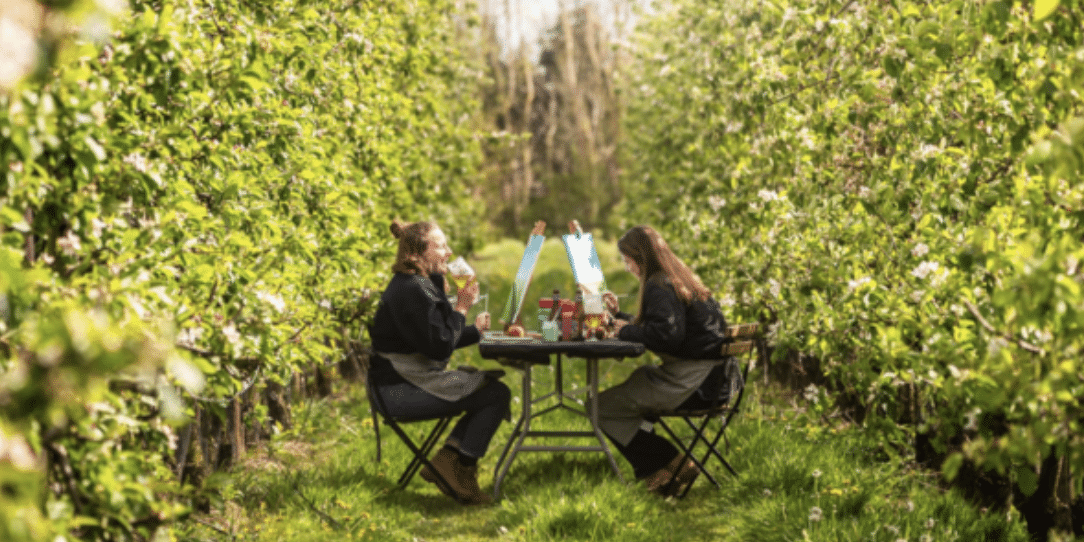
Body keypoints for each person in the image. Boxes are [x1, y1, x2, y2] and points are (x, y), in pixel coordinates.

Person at [368, 219, 510, 505]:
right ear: (415, 255)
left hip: (403, 384)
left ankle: (450, 460)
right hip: (396, 393)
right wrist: (461, 306)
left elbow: (440, 335)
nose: (448, 252)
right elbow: (440, 347)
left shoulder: (420, 284)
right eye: (441, 245)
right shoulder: (410, 290)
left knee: (489, 390)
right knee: (495, 394)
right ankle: (460, 467)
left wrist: (474, 329)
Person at [599, 225, 738, 497]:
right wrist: (623, 319)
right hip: (716, 380)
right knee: (635, 385)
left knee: (601, 407)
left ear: (641, 258)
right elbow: (666, 326)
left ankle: (671, 464)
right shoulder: (678, 278)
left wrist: (625, 330)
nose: (628, 268)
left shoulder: (658, 285)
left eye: (628, 261)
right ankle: (664, 470)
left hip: (695, 384)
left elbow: (667, 337)